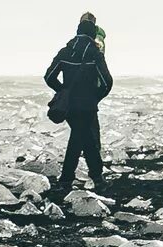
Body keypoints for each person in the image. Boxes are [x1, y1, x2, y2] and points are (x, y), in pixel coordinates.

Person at [44, 10, 112, 199]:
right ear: (92, 33)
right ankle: (91, 179)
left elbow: (49, 76)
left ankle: (72, 180)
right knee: (84, 140)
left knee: (80, 138)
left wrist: (62, 91)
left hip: (70, 107)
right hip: (88, 106)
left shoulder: (65, 51)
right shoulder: (94, 52)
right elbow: (107, 82)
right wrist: (95, 97)